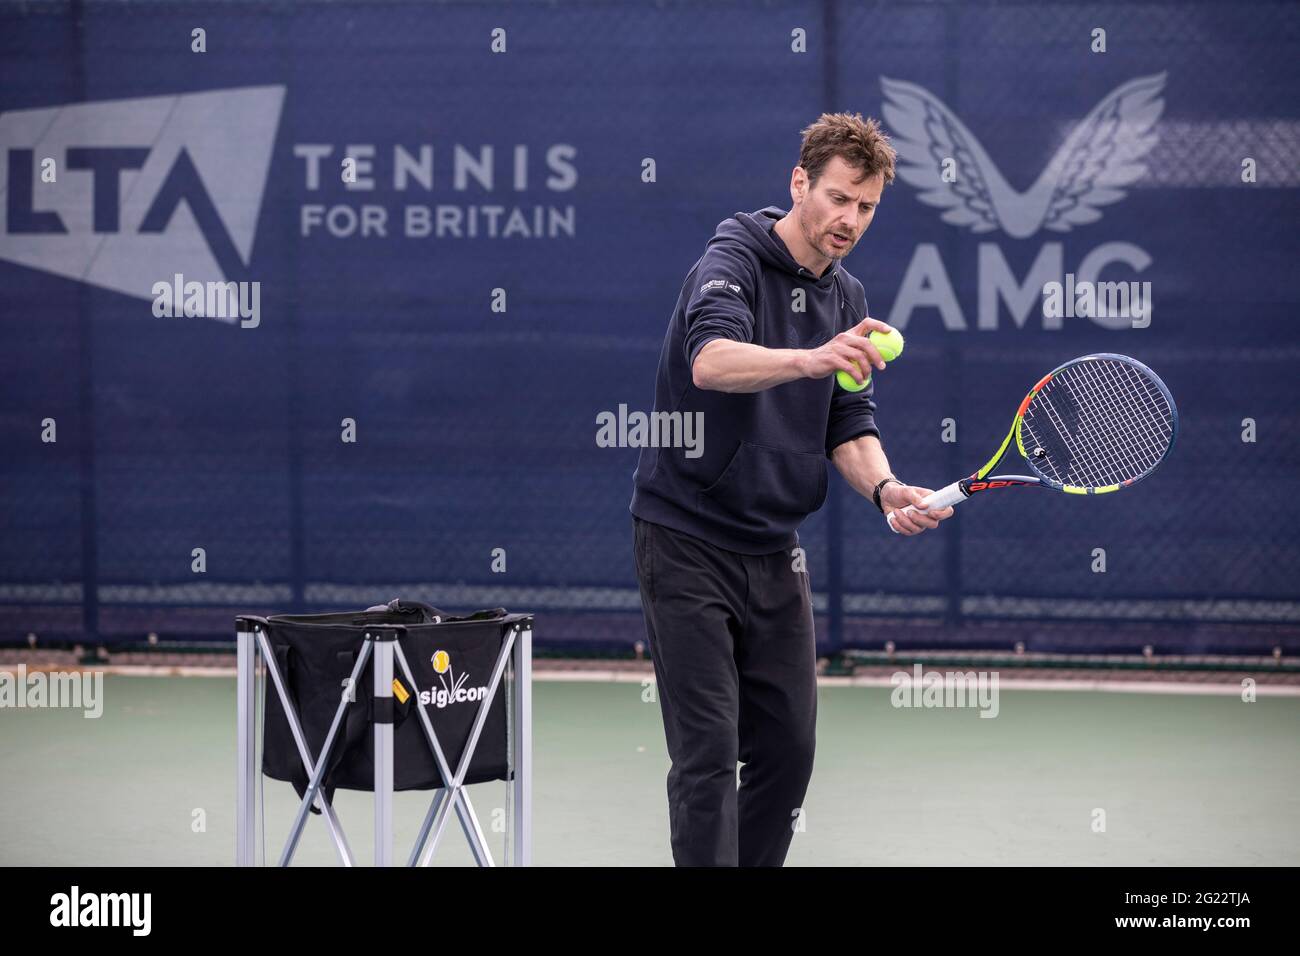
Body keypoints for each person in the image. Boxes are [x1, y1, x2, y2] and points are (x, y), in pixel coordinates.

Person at [629, 112, 954, 866]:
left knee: (788, 753)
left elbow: (848, 422)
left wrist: (886, 489)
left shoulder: (846, 296)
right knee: (709, 754)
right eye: (839, 198)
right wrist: (810, 359)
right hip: (686, 540)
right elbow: (711, 361)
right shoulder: (731, 258)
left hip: (775, 553)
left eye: (867, 207)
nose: (850, 220)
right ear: (799, 183)